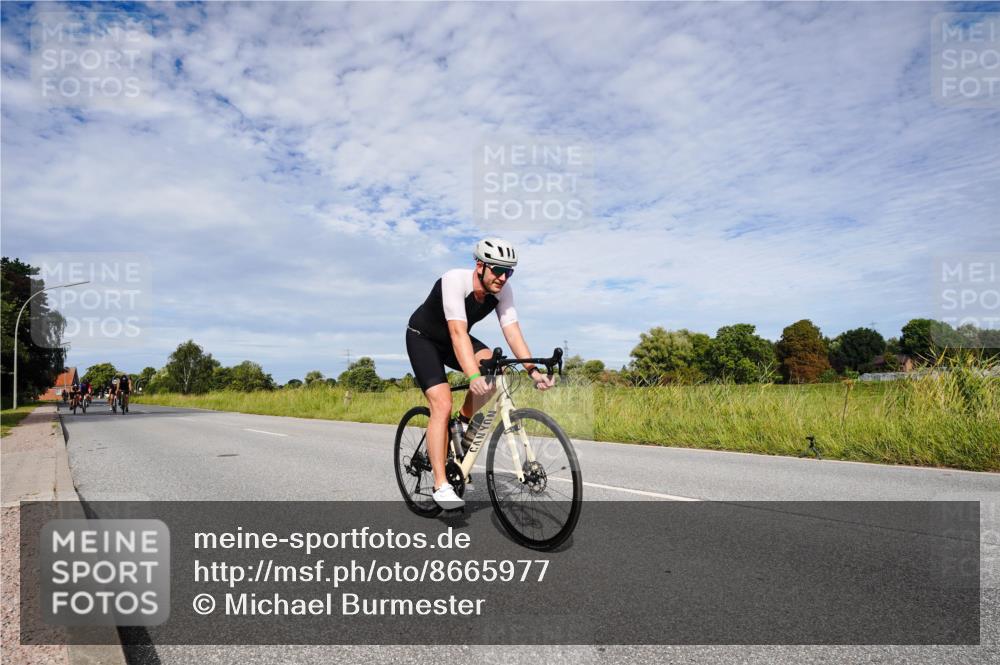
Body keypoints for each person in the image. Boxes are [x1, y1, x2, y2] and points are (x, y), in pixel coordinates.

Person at [405, 237, 554, 510]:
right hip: (424, 338)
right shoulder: (454, 280)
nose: (503, 277)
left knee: (496, 372)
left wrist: (533, 370)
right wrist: (473, 376)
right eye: (498, 270)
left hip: (455, 340)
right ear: (480, 266)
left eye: (509, 272)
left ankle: (461, 422)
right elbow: (457, 332)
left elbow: (512, 332)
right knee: (442, 404)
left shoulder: (502, 291)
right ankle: (440, 484)